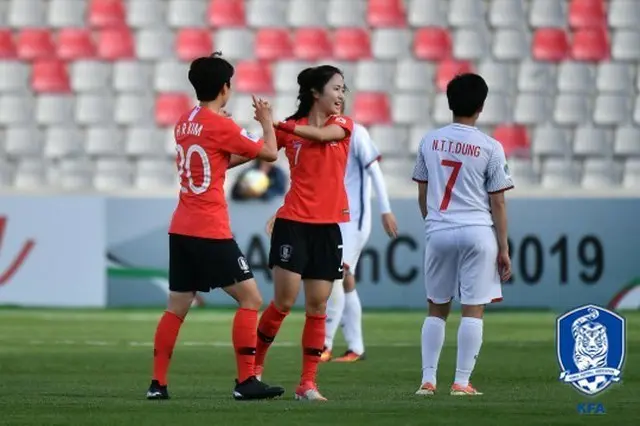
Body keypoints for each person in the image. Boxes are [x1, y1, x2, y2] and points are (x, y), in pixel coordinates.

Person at [146, 53, 285, 401]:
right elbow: (270, 153)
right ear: (225, 88)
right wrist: (266, 121)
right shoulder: (222, 126)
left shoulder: (184, 121)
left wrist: (237, 139)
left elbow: (218, 159)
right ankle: (244, 381)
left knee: (176, 306)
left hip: (180, 228)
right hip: (209, 227)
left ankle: (157, 384)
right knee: (251, 299)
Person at [253, 65, 353, 402]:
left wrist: (275, 123)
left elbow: (322, 136)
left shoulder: (342, 126)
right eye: (336, 89)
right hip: (293, 224)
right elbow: (261, 151)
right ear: (316, 93)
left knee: (317, 306)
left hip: (327, 229)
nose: (341, 96)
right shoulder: (290, 131)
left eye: (344, 89)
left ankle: (307, 384)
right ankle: (253, 371)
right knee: (283, 302)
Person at [411, 73, 513, 397]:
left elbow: (423, 193)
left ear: (449, 103)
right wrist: (504, 247)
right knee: (473, 308)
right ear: (481, 106)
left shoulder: (430, 141)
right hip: (477, 231)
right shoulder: (490, 147)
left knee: (436, 308)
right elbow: (497, 200)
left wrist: (435, 223)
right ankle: (461, 382)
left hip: (440, 229)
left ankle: (428, 381)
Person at [320, 118, 398, 363]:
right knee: (346, 279)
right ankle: (356, 348)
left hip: (355, 220)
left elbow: (374, 170)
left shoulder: (357, 132)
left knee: (335, 274)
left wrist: (385, 209)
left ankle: (325, 344)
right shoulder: (321, 132)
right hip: (334, 216)